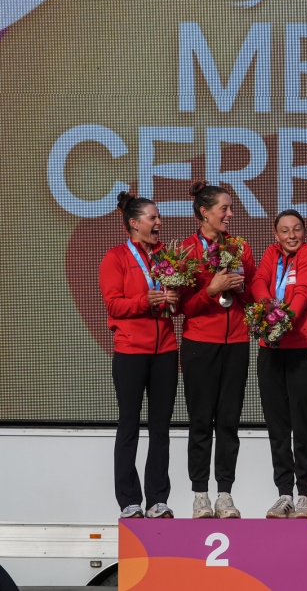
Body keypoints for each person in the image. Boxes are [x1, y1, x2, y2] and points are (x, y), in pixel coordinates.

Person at [99, 191, 179, 519]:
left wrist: (174, 298)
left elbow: (176, 299)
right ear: (134, 224)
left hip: (166, 351)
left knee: (160, 427)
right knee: (129, 425)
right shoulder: (115, 257)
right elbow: (114, 304)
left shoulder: (166, 257)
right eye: (153, 218)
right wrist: (146, 301)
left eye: (158, 218)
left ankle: (158, 499)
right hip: (130, 351)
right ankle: (130, 501)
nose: (159, 223)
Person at [179, 181, 254, 518]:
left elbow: (251, 294)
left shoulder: (241, 248)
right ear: (204, 213)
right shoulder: (185, 251)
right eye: (224, 208)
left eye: (230, 208)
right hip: (199, 345)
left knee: (228, 422)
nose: (230, 214)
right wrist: (211, 289)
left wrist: (244, 291)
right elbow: (182, 306)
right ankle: (199, 495)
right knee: (200, 422)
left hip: (236, 343)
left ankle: (225, 493)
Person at [251, 210, 307, 518]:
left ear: (304, 232)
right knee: (278, 426)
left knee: (302, 424)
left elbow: (304, 295)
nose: (291, 235)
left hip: (303, 350)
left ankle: (305, 494)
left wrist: (282, 320)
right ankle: (284, 494)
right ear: (275, 233)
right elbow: (258, 281)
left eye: (297, 229)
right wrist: (268, 309)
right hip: (270, 351)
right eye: (285, 230)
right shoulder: (271, 253)